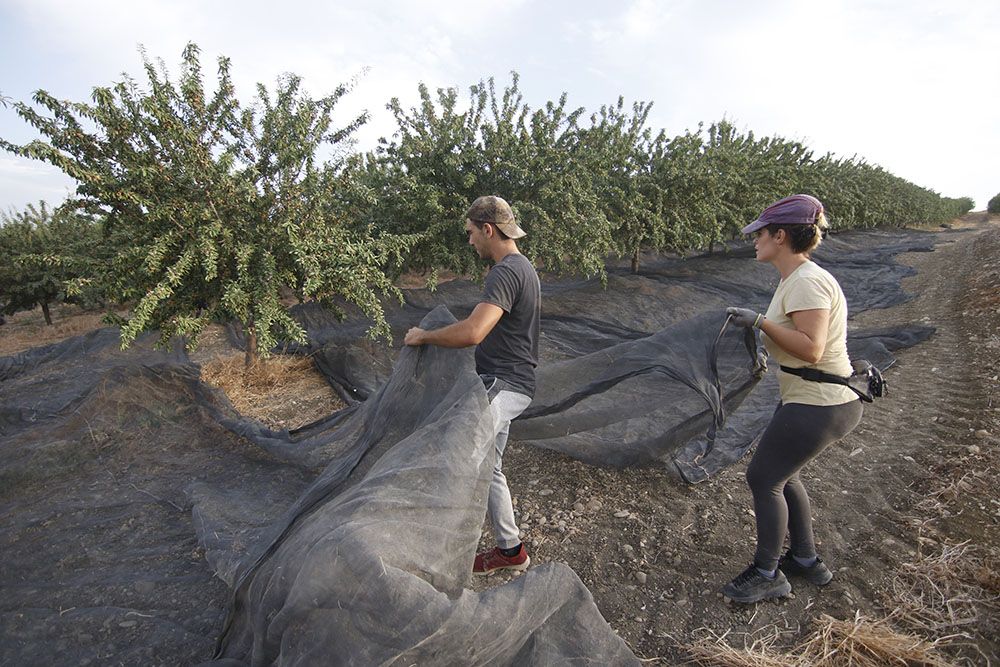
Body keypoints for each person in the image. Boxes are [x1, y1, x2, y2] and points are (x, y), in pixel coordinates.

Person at [722, 194, 863, 604]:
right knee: (786, 475)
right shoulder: (794, 279)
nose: (754, 240)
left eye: (760, 233)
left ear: (780, 236)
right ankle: (804, 559)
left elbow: (812, 347)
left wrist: (762, 322)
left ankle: (767, 573)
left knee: (763, 478)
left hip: (821, 402)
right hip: (811, 397)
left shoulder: (807, 280)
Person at [404, 195, 541, 576]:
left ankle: (439, 556)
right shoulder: (523, 267)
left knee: (457, 459)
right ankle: (510, 550)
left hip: (503, 384)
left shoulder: (505, 271)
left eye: (470, 233)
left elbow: (474, 332)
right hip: (511, 382)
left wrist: (424, 337)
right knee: (489, 467)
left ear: (488, 229)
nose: (469, 242)